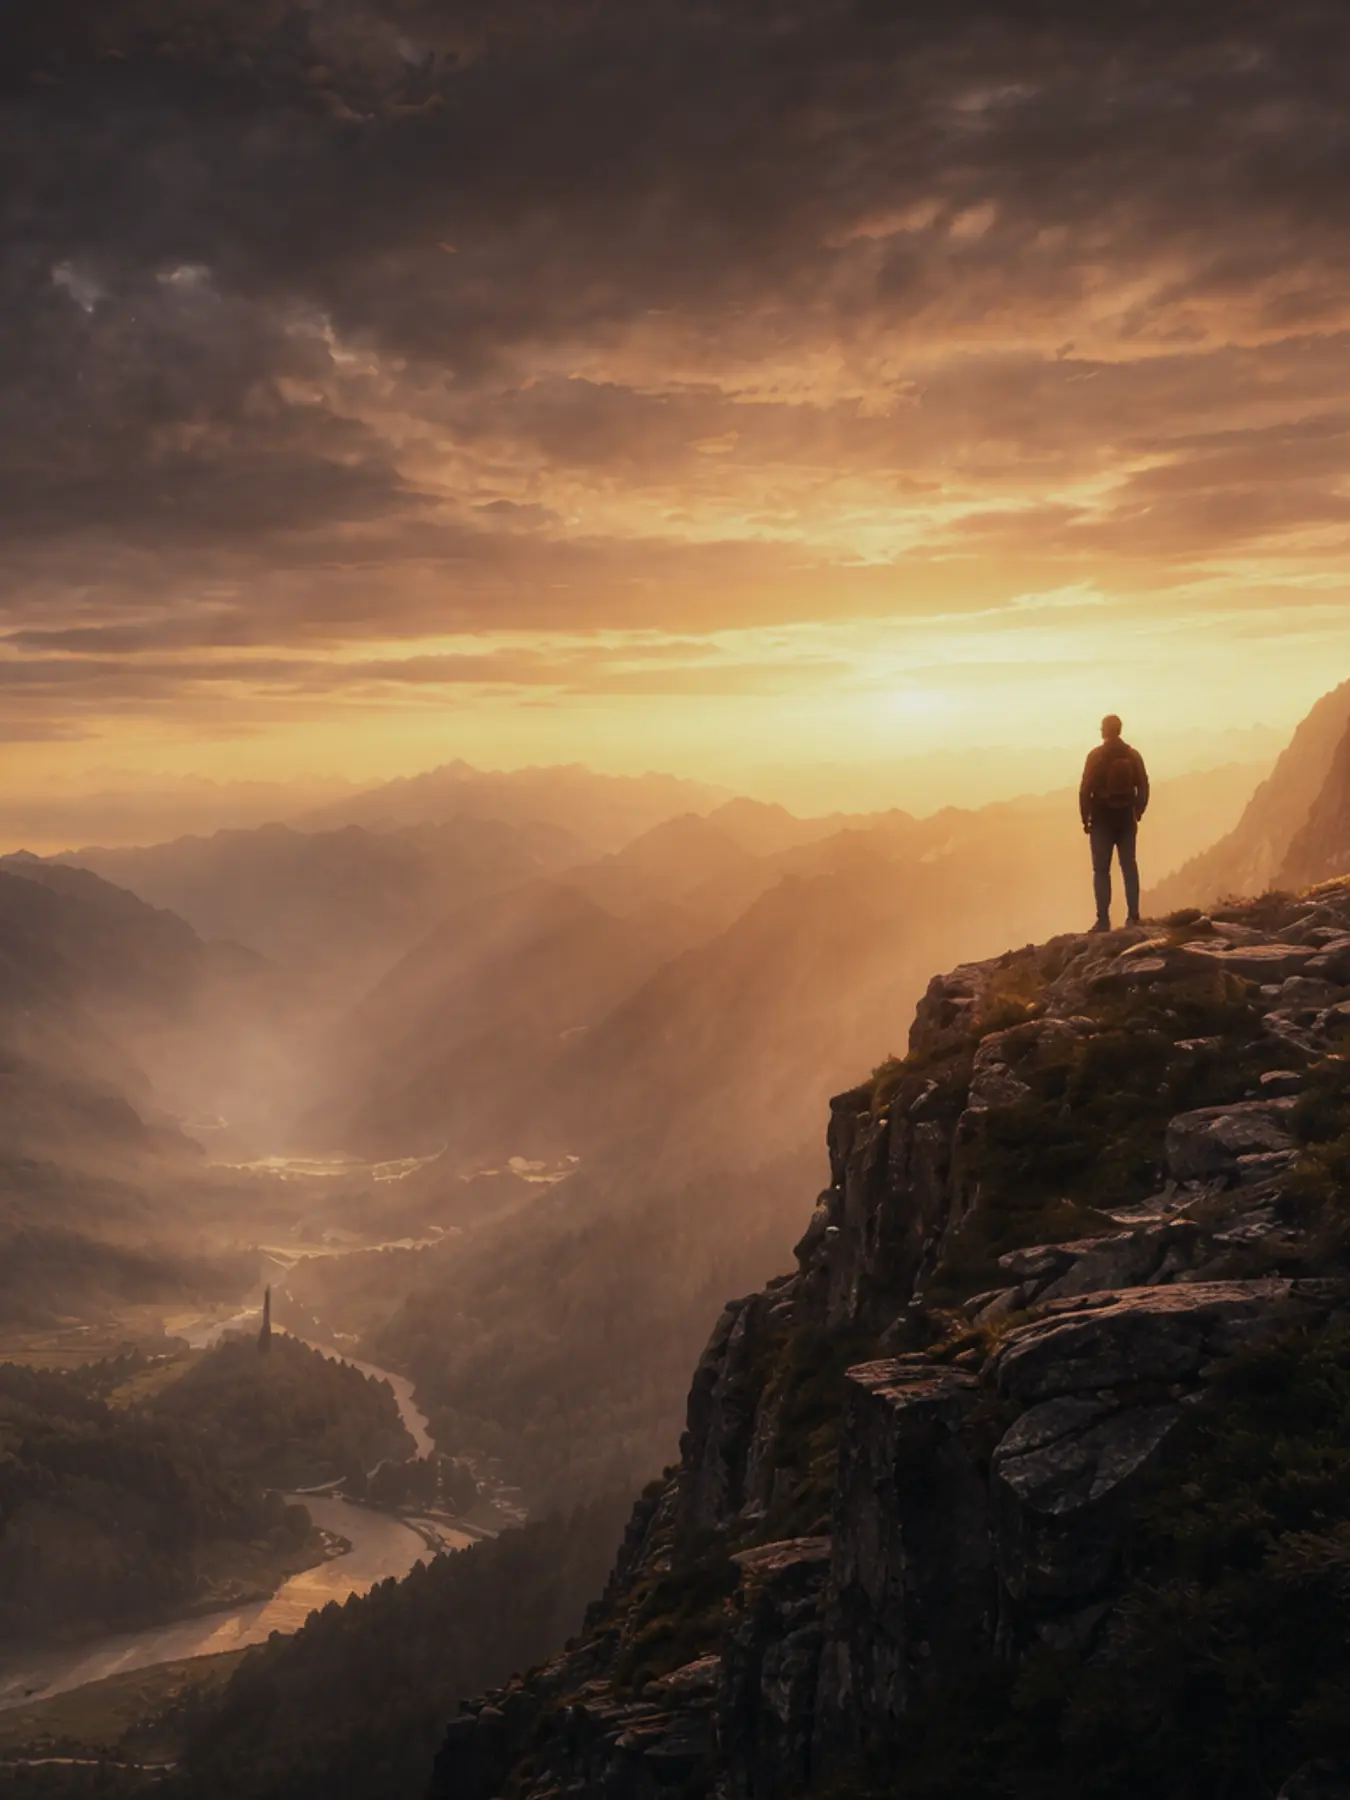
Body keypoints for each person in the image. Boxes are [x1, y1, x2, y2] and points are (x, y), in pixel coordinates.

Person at [1079, 715, 1149, 932]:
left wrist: (1085, 818)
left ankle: (1103, 920)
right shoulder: (1132, 755)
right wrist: (1138, 811)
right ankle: (1133, 917)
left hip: (1102, 820)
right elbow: (1143, 785)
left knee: (1101, 870)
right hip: (1126, 819)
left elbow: (1085, 789)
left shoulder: (1095, 756)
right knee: (1129, 866)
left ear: (1104, 731)